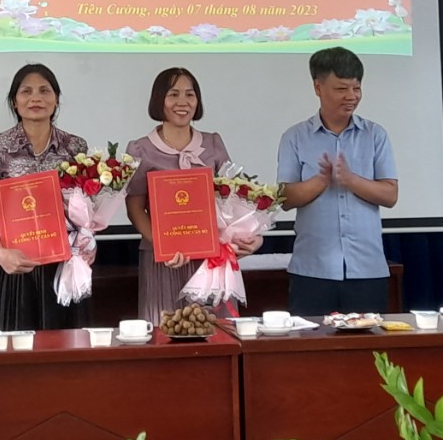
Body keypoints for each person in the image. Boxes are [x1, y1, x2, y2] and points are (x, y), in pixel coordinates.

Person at [277, 47, 398, 316]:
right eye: (342, 88)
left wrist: (351, 180)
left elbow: (390, 195)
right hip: (312, 270)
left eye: (356, 88)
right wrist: (321, 181)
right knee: (311, 342)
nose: (351, 96)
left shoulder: (375, 135)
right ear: (317, 87)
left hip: (367, 269)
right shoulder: (294, 137)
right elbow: (284, 198)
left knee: (367, 342)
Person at [125, 67, 251, 322]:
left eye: (189, 94)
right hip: (163, 261)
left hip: (211, 259)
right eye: (173, 94)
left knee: (216, 334)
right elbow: (135, 208)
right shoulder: (140, 149)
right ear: (159, 99)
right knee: (166, 332)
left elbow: (232, 197)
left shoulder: (213, 143)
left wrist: (245, 236)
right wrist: (163, 246)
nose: (182, 102)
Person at [0, 64, 90, 331]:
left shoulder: (75, 147)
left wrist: (85, 245)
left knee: (63, 347)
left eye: (44, 91)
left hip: (62, 265)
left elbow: (83, 209)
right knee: (12, 348)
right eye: (26, 91)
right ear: (14, 101)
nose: (35, 98)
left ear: (56, 99)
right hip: (12, 263)